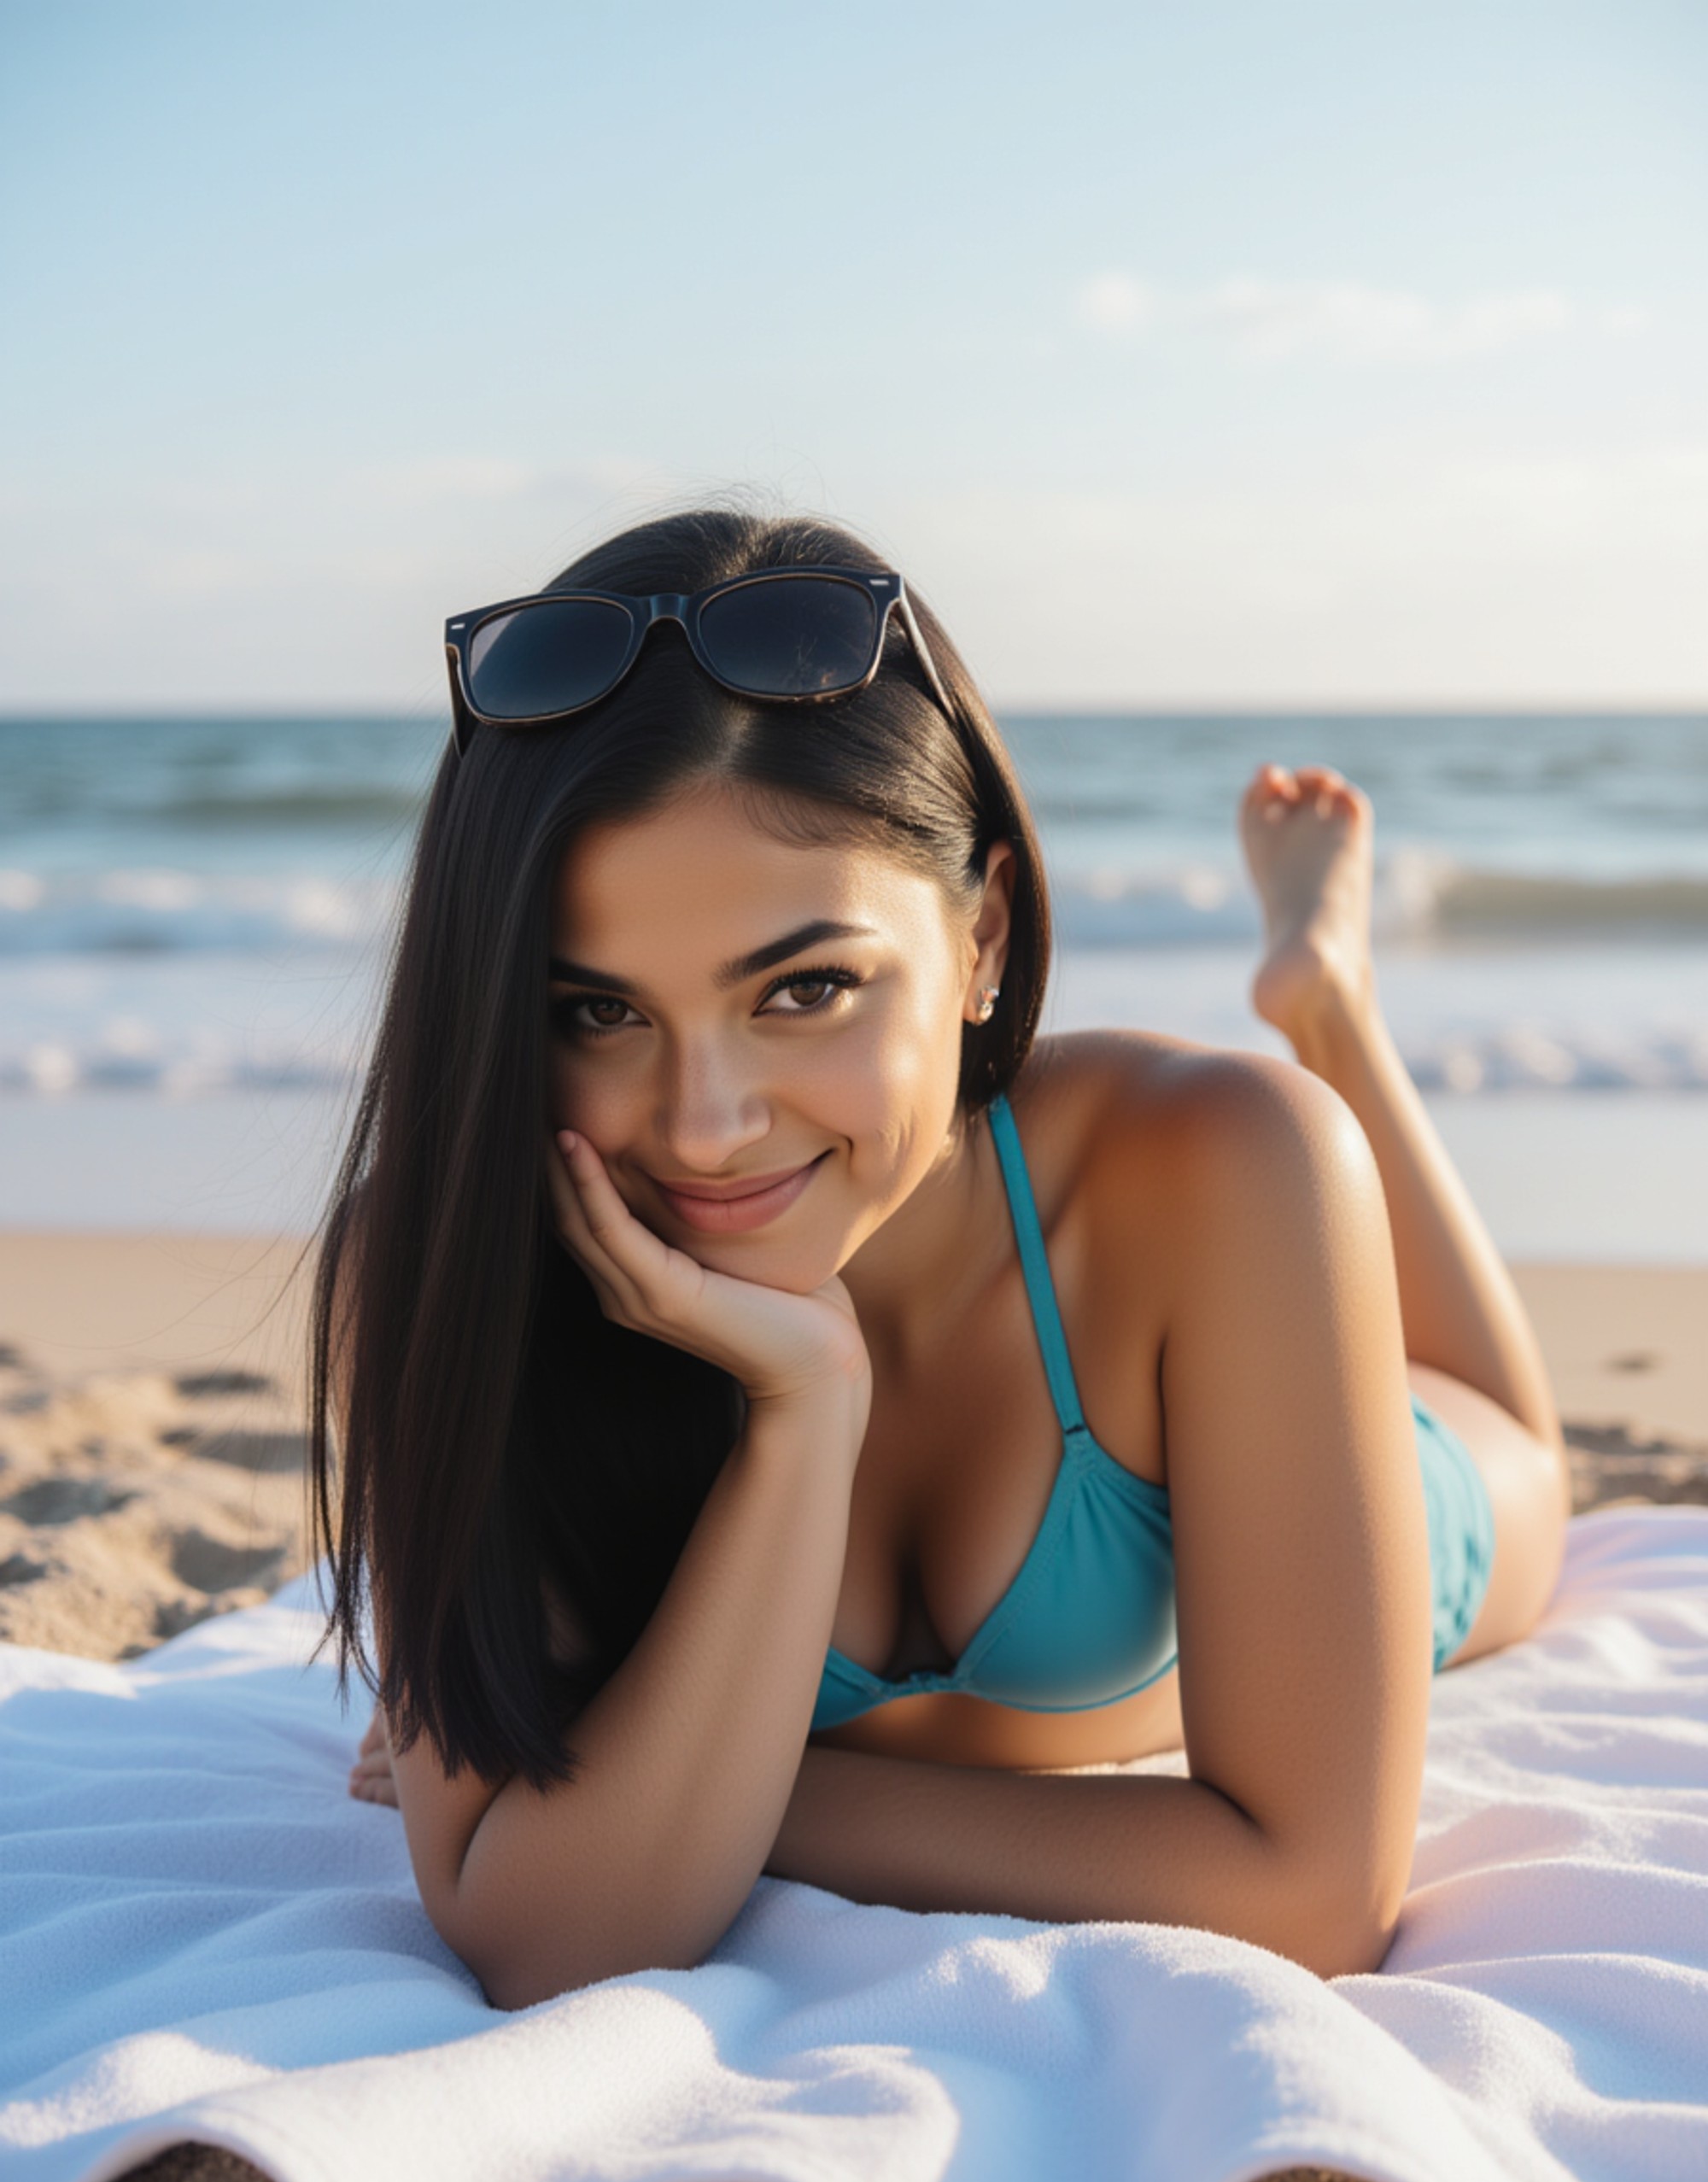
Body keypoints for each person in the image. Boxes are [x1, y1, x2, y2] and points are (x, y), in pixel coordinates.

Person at [319, 507, 1569, 2011]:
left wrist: (689, 1797)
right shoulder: (446, 1271)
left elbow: (1310, 1896)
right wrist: (804, 1411)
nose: (705, 1127)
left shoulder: (1218, 1163)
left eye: (806, 989)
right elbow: (539, 1930)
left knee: (1528, 1456)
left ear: (983, 937)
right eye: (598, 1012)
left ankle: (1330, 1002)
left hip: (1416, 1492)